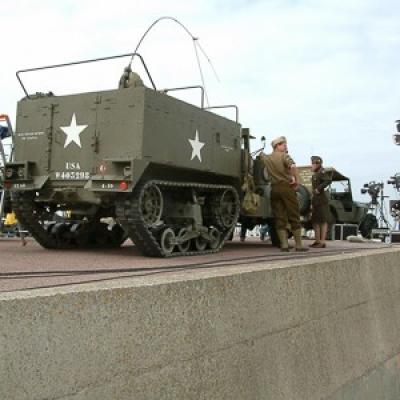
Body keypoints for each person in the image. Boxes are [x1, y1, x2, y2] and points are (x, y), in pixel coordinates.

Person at [260, 136, 308, 252]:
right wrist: (296, 180)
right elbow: (293, 167)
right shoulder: (285, 156)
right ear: (278, 146)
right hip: (286, 187)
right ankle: (299, 245)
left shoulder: (267, 158)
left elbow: (261, 157)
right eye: (283, 144)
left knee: (279, 217)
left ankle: (284, 245)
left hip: (274, 189)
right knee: (294, 214)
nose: (285, 146)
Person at [310, 155, 332, 248]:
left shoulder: (321, 171)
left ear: (317, 163)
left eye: (313, 163)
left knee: (322, 221)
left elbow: (328, 180)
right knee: (315, 221)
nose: (311, 165)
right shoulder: (316, 173)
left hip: (322, 200)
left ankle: (322, 241)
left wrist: (319, 189)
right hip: (316, 200)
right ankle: (317, 240)